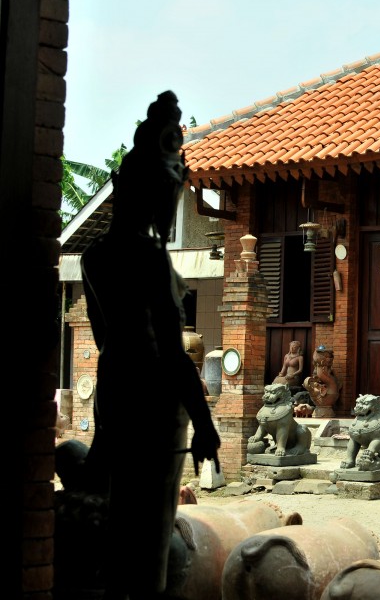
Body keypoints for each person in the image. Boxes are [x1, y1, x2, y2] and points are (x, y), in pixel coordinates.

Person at [80, 91, 221, 599]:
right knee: (147, 546)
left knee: (109, 526)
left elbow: (103, 336)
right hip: (155, 411)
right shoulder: (149, 260)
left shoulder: (95, 256)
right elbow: (173, 355)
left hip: (113, 393)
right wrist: (205, 425)